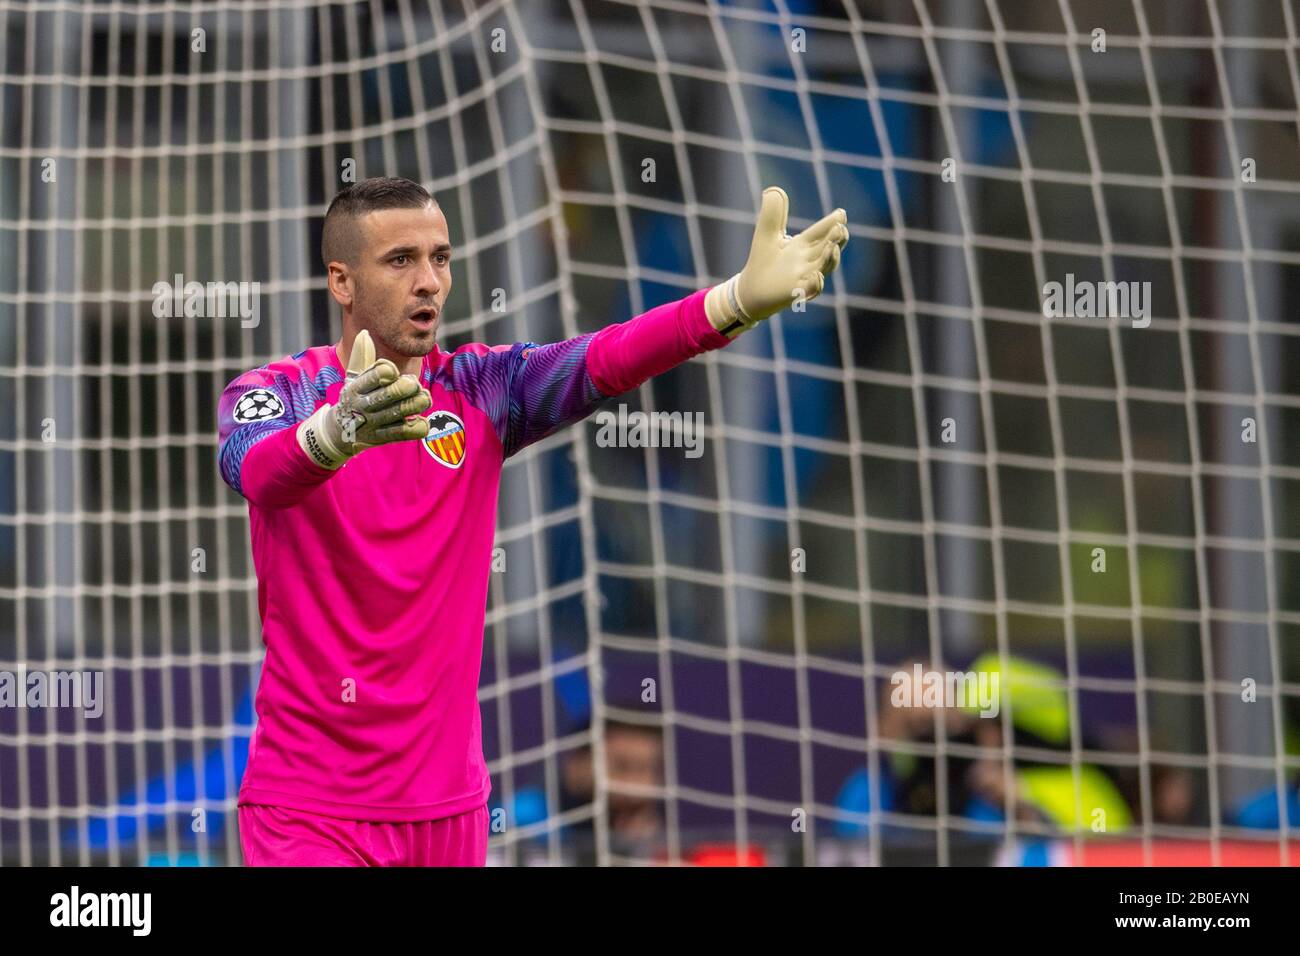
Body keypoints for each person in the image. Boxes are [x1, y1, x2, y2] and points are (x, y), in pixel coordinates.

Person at [217, 176, 849, 865]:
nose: (429, 281)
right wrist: (335, 434)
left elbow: (606, 357)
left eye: (441, 258)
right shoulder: (275, 391)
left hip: (449, 813)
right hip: (311, 809)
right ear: (341, 281)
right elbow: (257, 471)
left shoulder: (485, 389)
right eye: (401, 260)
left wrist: (732, 304)